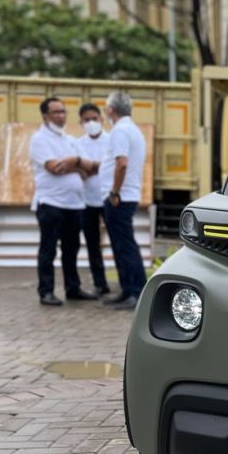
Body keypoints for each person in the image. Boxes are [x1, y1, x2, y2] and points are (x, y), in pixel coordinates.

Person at [30, 97, 98, 306]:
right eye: (56, 112)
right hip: (51, 202)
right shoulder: (39, 139)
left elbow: (93, 168)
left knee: (72, 249)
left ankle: (72, 288)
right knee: (48, 249)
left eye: (63, 112)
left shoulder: (70, 140)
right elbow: (53, 168)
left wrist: (74, 161)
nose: (61, 116)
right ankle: (46, 291)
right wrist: (78, 165)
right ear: (45, 115)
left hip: (75, 203)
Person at [101, 91, 146, 310]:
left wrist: (114, 192)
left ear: (111, 109)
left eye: (106, 108)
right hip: (126, 194)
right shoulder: (132, 129)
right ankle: (127, 289)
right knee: (121, 245)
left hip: (120, 197)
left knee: (125, 246)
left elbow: (122, 164)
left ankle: (136, 291)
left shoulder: (120, 131)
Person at [76, 103, 111, 296]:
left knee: (117, 241)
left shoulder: (111, 140)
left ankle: (126, 281)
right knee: (92, 243)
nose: (91, 123)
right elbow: (79, 170)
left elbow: (110, 166)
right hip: (86, 200)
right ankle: (100, 283)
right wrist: (92, 167)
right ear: (81, 122)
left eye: (94, 119)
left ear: (101, 120)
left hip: (108, 197)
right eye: (86, 120)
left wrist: (90, 166)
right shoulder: (78, 143)